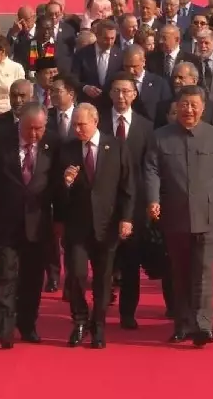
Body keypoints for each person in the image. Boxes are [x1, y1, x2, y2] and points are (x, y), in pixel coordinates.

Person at [144, 85, 213, 347]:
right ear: (176, 106)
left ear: (203, 108)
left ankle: (203, 326)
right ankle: (182, 324)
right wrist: (152, 200)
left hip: (208, 214)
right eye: (184, 104)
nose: (189, 110)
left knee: (204, 272)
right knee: (181, 272)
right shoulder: (160, 137)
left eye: (194, 105)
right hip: (175, 214)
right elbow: (151, 170)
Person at [0, 103, 61, 349]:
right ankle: (3, 327)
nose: (35, 134)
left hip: (38, 222)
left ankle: (27, 325)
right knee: (7, 274)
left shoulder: (53, 142)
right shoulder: (0, 140)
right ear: (20, 123)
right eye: (30, 128)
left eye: (39, 129)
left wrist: (60, 219)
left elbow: (57, 186)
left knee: (32, 277)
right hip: (5, 220)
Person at [55, 104, 136, 348]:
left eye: (82, 124)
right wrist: (66, 183)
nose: (77, 129)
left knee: (103, 279)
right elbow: (56, 193)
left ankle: (98, 325)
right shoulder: (67, 149)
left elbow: (128, 187)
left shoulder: (116, 147)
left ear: (95, 121)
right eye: (74, 125)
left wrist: (126, 218)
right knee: (76, 275)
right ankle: (80, 320)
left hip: (106, 225)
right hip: (77, 226)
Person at [101, 72, 166, 329]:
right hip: (103, 203)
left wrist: (150, 201)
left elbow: (150, 168)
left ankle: (128, 312)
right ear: (110, 94)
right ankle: (100, 308)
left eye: (126, 91)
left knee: (131, 262)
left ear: (134, 94)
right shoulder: (98, 122)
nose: (121, 96)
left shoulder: (146, 127)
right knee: (104, 261)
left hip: (135, 205)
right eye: (116, 91)